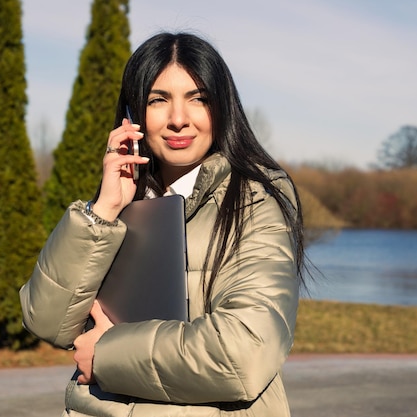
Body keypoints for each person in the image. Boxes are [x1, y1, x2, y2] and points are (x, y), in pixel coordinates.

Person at [20, 31, 306, 417]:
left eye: (198, 99)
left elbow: (244, 355)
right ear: (134, 114)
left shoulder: (255, 200)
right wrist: (103, 210)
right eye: (158, 100)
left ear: (222, 108)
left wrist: (106, 354)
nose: (177, 120)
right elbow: (46, 320)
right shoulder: (122, 202)